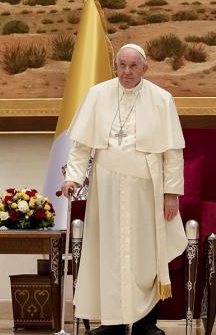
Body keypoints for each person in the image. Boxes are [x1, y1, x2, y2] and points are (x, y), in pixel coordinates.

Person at [61, 43, 188, 335]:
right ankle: (112, 322)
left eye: (133, 66)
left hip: (146, 189)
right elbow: (81, 147)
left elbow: (172, 152)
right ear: (115, 66)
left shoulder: (161, 99)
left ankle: (145, 322)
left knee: (145, 253)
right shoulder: (97, 95)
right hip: (105, 188)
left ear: (145, 68)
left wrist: (171, 194)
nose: (126, 72)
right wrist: (74, 178)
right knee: (108, 252)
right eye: (122, 65)